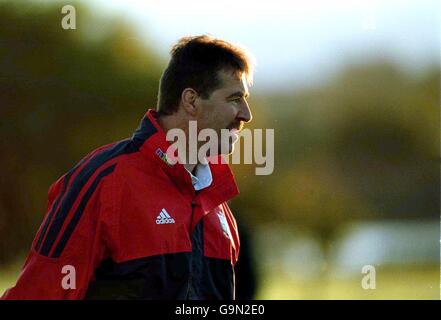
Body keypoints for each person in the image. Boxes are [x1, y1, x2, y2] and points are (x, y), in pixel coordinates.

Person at [2, 35, 254, 300]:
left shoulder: (218, 209)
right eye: (235, 98)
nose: (246, 115)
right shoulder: (104, 180)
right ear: (191, 101)